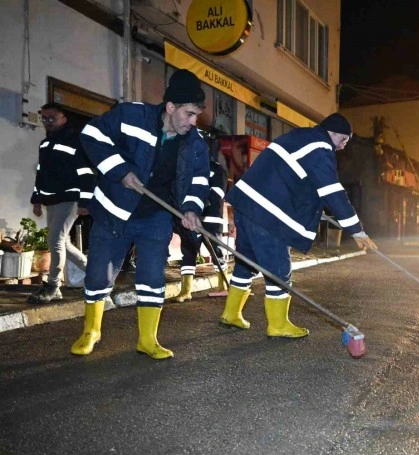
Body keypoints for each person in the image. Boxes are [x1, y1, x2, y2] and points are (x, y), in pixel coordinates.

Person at [71, 69, 210, 359]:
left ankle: (148, 339)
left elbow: (198, 179)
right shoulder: (132, 115)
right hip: (114, 211)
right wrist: (120, 172)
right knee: (99, 275)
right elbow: (91, 133)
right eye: (189, 114)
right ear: (170, 107)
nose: (193, 121)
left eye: (196, 115)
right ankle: (91, 331)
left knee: (152, 277)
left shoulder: (195, 142)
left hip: (156, 216)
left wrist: (191, 209)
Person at [220, 113, 377, 338]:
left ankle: (231, 313)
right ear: (333, 133)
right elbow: (331, 191)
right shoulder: (320, 147)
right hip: (267, 213)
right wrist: (356, 230)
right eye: (343, 140)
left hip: (246, 206)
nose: (342, 147)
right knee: (279, 270)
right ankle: (278, 325)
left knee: (247, 260)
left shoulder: (299, 136)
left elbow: (298, 182)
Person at [28, 102, 95, 303]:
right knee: (62, 242)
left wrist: (85, 201)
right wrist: (36, 200)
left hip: (70, 199)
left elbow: (87, 173)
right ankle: (95, 274)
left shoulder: (75, 142)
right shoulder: (45, 144)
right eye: (45, 118)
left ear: (64, 119)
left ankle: (53, 285)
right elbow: (41, 174)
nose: (48, 122)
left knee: (55, 240)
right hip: (51, 200)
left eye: (52, 118)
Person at [173, 150, 228, 302]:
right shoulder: (192, 168)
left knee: (216, 252)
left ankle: (223, 286)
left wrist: (196, 207)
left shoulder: (216, 169)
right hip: (190, 219)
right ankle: (186, 291)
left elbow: (217, 192)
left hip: (210, 219)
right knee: (188, 252)